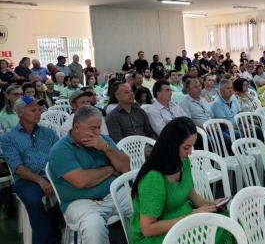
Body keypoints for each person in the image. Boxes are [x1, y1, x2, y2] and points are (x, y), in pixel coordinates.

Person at [129, 117, 235, 244]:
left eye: (192, 147)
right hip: (156, 236)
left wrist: (211, 205)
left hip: (183, 219)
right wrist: (191, 217)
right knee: (218, 231)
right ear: (171, 146)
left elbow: (192, 194)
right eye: (186, 148)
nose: (190, 152)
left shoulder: (182, 162)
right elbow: (148, 229)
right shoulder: (154, 178)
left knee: (229, 218)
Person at [48, 106, 131, 244]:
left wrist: (106, 148)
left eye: (99, 127)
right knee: (93, 226)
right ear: (77, 127)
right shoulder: (60, 150)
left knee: (146, 206)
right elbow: (82, 181)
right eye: (93, 128)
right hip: (80, 202)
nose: (98, 132)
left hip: (113, 194)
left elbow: (126, 168)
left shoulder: (103, 141)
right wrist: (110, 170)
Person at [1, 96, 62, 244]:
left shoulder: (49, 133)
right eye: (33, 110)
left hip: (52, 175)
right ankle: (47, 240)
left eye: (39, 109)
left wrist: (54, 177)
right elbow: (18, 168)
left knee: (77, 188)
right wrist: (41, 180)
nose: (38, 112)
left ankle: (51, 219)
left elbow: (61, 156)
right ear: (20, 113)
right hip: (27, 179)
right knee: (33, 200)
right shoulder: (9, 138)